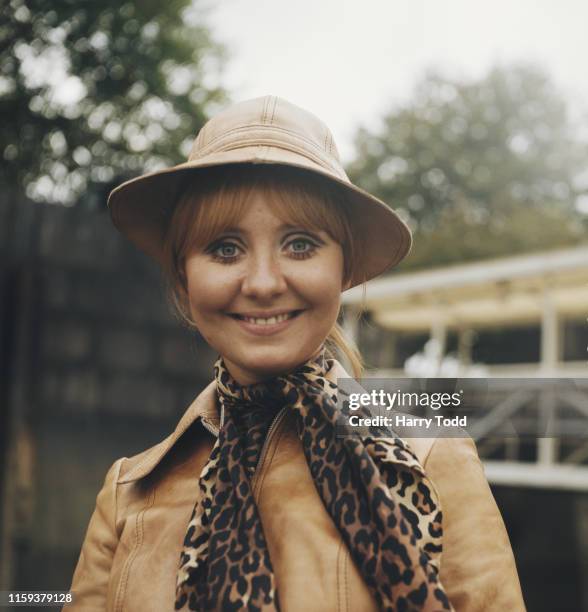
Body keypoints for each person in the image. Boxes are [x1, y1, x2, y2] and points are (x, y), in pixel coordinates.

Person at [66, 95, 526, 611]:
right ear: (184, 277)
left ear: (344, 270)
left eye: (301, 245)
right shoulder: (127, 494)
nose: (263, 283)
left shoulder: (433, 460)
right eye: (225, 249)